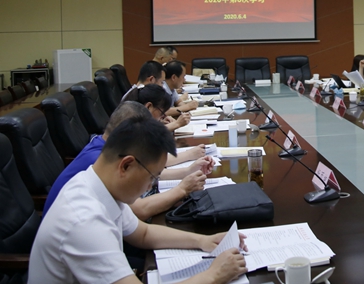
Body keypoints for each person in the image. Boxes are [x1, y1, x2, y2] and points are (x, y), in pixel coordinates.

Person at [29, 115, 246, 284]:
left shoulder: (96, 184)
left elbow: (143, 233)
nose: (150, 187)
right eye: (152, 177)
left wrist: (203, 241)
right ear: (126, 165)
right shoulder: (83, 221)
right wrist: (213, 275)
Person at [43, 102, 212, 220]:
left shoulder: (103, 146)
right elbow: (139, 210)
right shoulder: (101, 162)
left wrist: (187, 171)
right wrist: (181, 189)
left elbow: (148, 173)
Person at [124, 83, 191, 132]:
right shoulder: (131, 121)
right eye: (162, 113)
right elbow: (149, 134)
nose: (163, 116)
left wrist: (160, 122)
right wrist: (177, 123)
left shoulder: (137, 112)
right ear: (149, 106)